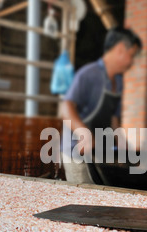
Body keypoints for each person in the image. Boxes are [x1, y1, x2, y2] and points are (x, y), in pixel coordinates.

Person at [59, 27, 142, 184]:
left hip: (98, 152)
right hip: (76, 151)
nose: (132, 62)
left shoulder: (118, 81)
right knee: (85, 204)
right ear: (119, 50)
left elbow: (113, 119)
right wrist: (83, 132)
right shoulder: (89, 74)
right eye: (131, 55)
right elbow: (66, 107)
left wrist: (123, 147)